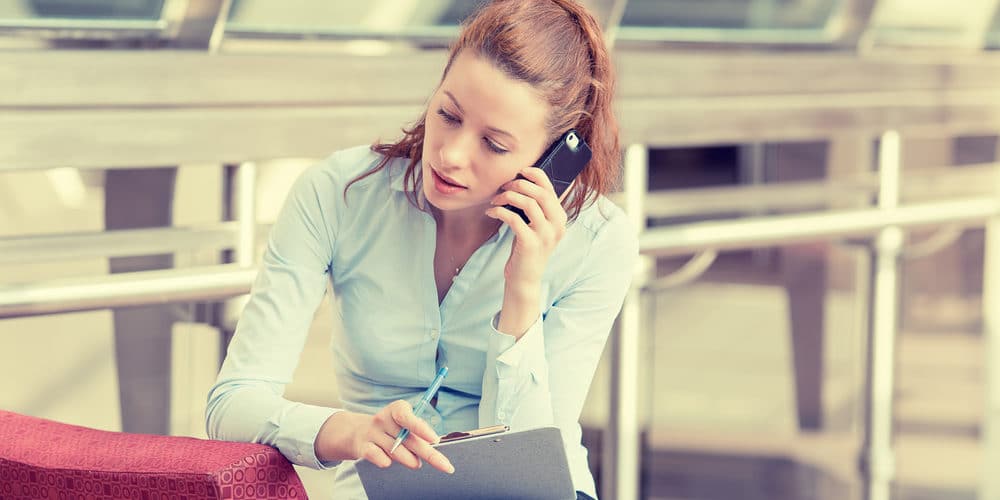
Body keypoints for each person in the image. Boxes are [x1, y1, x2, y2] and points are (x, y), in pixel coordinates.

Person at [205, 0, 637, 498]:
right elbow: (232, 403)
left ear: (553, 154)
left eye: (494, 145)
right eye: (448, 114)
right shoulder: (337, 194)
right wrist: (352, 432)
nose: (451, 155)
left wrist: (522, 286)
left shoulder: (600, 242)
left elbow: (529, 466)